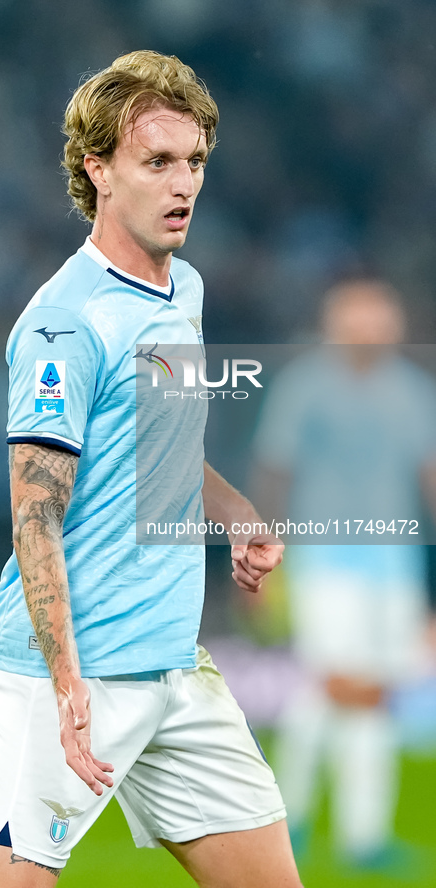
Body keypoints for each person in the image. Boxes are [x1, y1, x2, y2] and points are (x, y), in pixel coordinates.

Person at [0, 50, 302, 888]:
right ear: (99, 171)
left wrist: (233, 514)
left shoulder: (180, 288)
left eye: (192, 161)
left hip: (173, 667)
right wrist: (67, 682)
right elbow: (34, 512)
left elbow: (163, 444)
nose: (182, 182)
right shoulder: (62, 325)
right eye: (156, 162)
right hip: (74, 673)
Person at [252, 280, 436, 868]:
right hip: (326, 554)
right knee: (338, 683)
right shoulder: (305, 384)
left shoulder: (413, 390)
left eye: (382, 316)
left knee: (373, 692)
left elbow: (428, 476)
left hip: (395, 560)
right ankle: (292, 819)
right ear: (337, 321)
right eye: (363, 316)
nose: (375, 326)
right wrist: (261, 548)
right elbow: (274, 469)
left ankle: (358, 834)